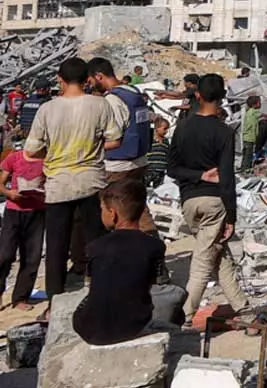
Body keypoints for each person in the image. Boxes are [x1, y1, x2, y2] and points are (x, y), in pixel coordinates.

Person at [26, 57, 121, 300]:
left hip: (58, 184)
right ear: (87, 79)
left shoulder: (47, 109)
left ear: (60, 79)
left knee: (56, 246)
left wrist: (53, 152)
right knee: (96, 241)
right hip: (92, 181)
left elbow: (31, 150)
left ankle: (54, 298)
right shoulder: (100, 105)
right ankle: (99, 292)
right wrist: (92, 147)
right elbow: (115, 139)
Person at [167, 73, 247, 320]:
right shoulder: (224, 132)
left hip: (189, 202)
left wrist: (198, 175)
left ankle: (244, 309)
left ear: (198, 95)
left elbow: (171, 168)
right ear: (222, 97)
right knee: (203, 261)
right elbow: (227, 178)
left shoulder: (182, 127)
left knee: (217, 253)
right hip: (214, 202)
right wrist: (231, 216)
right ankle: (184, 317)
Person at [71, 179, 165, 346]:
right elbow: (154, 285)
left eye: (102, 210)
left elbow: (92, 287)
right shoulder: (155, 246)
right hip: (133, 326)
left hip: (88, 328)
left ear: (112, 213)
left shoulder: (95, 247)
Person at [86, 58, 157, 235]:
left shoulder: (113, 100)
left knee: (113, 210)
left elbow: (113, 135)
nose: (90, 85)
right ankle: (150, 241)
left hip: (118, 164)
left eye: (91, 80)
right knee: (136, 207)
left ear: (99, 76)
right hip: (139, 160)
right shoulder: (133, 92)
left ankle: (128, 244)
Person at [0, 135, 45, 309]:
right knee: (5, 255)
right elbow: (1, 184)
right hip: (14, 211)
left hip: (37, 212)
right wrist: (10, 193)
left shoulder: (47, 161)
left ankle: (21, 297)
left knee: (32, 257)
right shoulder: (14, 158)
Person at [144, 118, 170, 189]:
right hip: (149, 169)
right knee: (144, 187)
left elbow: (167, 154)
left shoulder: (166, 141)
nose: (166, 131)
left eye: (167, 129)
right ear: (157, 128)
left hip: (161, 170)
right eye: (165, 129)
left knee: (159, 189)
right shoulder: (149, 138)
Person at [239, 95, 262, 172]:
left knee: (245, 155)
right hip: (250, 137)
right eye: (259, 103)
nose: (261, 104)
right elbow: (263, 115)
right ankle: (246, 170)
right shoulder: (254, 112)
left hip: (246, 137)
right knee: (249, 155)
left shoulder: (248, 112)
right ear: (254, 104)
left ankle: (243, 168)